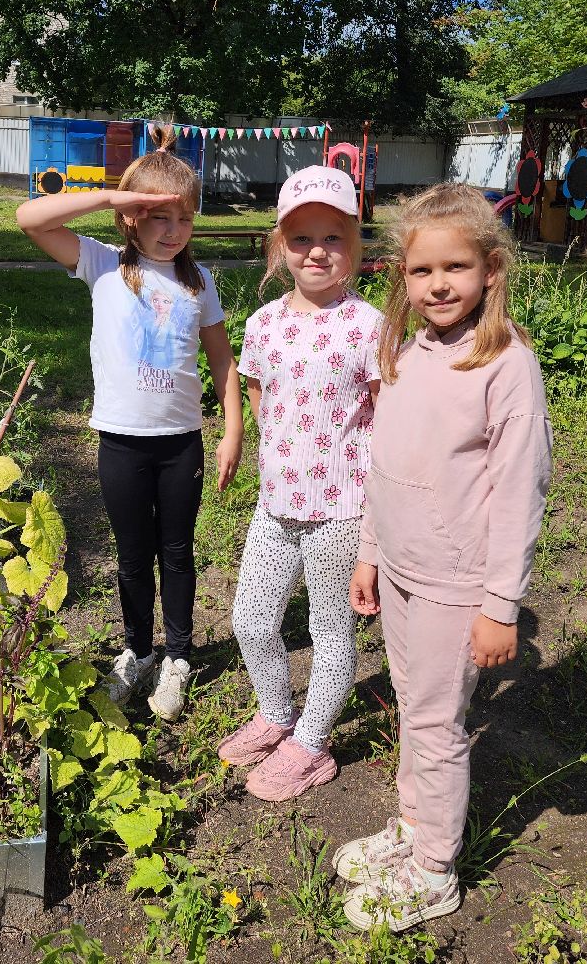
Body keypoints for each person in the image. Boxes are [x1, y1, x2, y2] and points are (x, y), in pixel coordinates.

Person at [336, 183, 552, 931]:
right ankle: (410, 828)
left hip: (456, 582)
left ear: (491, 269)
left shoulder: (505, 364)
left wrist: (500, 605)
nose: (438, 285)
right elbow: (384, 460)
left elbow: (521, 489)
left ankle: (435, 870)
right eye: (421, 271)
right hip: (399, 569)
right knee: (415, 711)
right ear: (402, 275)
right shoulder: (404, 347)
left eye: (455, 267)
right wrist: (369, 553)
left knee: (436, 726)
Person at [15, 128, 243, 722]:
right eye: (155, 217)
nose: (171, 231)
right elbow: (29, 218)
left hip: (180, 445)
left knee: (176, 551)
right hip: (119, 441)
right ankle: (137, 649)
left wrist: (234, 427)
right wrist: (111, 198)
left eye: (183, 219)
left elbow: (222, 359)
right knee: (131, 554)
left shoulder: (199, 283)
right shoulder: (102, 264)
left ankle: (178, 656)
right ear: (129, 221)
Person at [216, 165, 382, 801]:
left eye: (333, 238)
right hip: (275, 503)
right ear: (278, 246)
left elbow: (382, 411)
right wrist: (286, 457)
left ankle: (312, 745)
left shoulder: (369, 326)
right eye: (301, 237)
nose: (317, 251)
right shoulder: (262, 322)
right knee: (252, 621)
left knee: (329, 632)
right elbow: (258, 392)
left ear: (354, 246)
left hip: (342, 508)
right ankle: (277, 711)